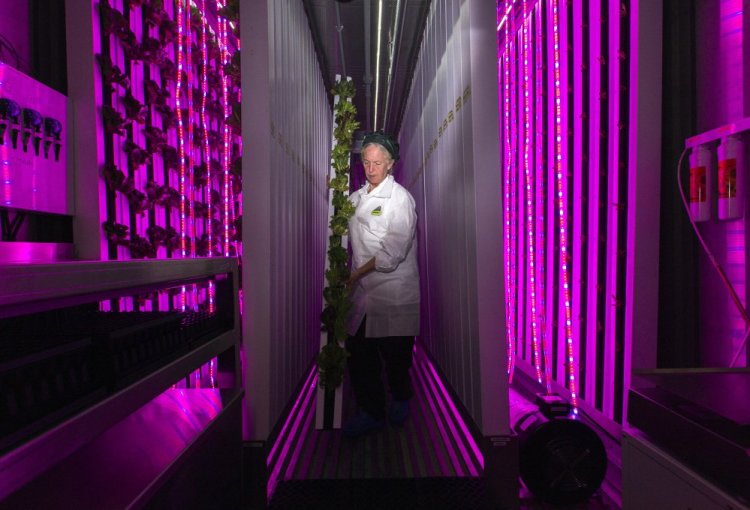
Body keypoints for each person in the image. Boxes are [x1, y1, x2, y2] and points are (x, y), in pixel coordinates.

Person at [343, 131, 420, 438]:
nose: (371, 168)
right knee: (360, 357)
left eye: (377, 163)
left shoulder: (400, 200)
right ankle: (371, 412)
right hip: (363, 296)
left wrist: (356, 274)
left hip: (393, 294)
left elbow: (391, 254)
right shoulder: (357, 197)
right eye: (366, 161)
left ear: (391, 165)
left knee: (396, 361)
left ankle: (401, 397)